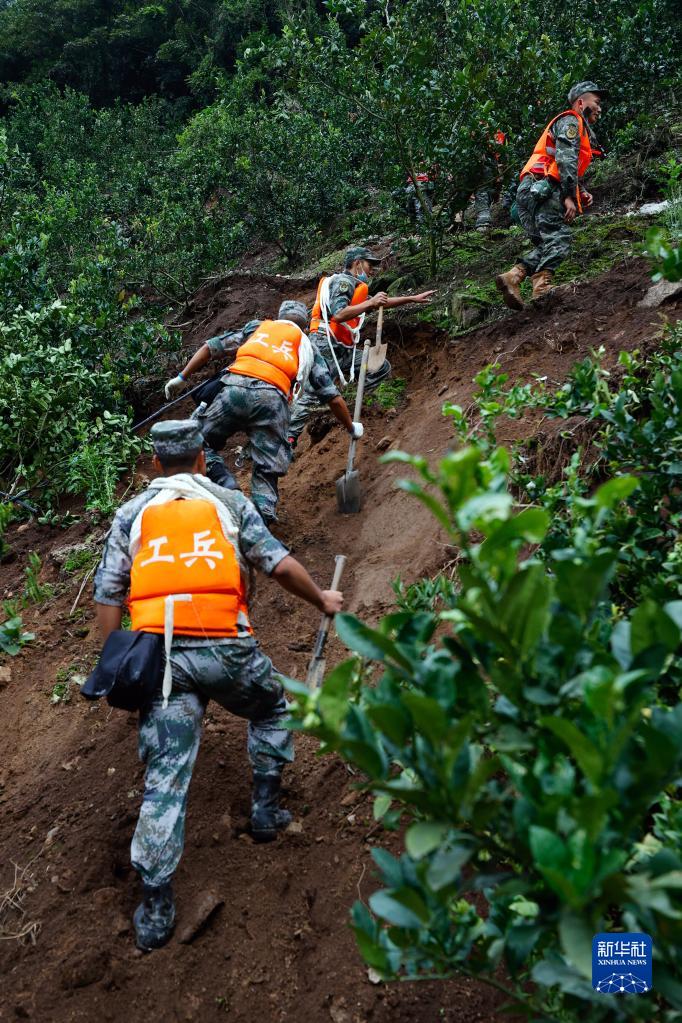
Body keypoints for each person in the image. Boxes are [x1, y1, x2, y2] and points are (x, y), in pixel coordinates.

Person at [93, 419, 344, 951]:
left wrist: (114, 659)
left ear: (155, 465)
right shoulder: (229, 503)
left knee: (166, 778)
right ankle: (266, 807)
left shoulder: (132, 513)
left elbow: (109, 592)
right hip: (225, 647)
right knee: (271, 708)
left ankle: (155, 907)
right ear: (202, 460)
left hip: (162, 660)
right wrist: (322, 598)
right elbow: (277, 565)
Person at [163, 301, 361, 525]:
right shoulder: (308, 348)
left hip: (234, 390)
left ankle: (225, 482)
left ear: (278, 317)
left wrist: (181, 378)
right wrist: (351, 427)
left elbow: (212, 347)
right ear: (305, 327)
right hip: (273, 401)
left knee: (195, 442)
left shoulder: (258, 328)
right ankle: (260, 520)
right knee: (267, 467)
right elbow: (331, 397)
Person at [288, 246, 435, 444]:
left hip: (343, 348)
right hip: (325, 345)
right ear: (357, 263)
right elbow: (339, 314)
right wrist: (371, 303)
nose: (372, 270)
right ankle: (288, 438)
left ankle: (352, 407)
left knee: (379, 367)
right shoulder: (343, 282)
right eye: (369, 265)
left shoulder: (354, 285)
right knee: (313, 393)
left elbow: (379, 303)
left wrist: (411, 298)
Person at [495, 82, 605, 309]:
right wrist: (568, 196)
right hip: (542, 189)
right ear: (581, 102)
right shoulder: (571, 121)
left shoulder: (573, 125)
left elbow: (562, 163)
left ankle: (514, 276)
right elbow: (565, 159)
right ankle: (541, 288)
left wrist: (580, 191)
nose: (600, 108)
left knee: (547, 243)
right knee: (560, 239)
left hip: (530, 190)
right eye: (596, 102)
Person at [473, 129, 508, 232]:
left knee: (483, 190)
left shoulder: (487, 131)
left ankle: (483, 221)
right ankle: (483, 219)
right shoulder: (498, 132)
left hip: (487, 163)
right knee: (485, 190)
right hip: (489, 163)